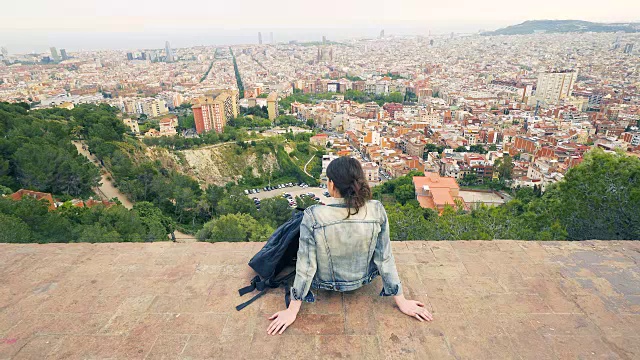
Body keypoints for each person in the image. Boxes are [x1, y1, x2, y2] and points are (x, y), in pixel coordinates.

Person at [267, 156, 433, 335]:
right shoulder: (376, 209)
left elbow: (306, 264)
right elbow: (384, 257)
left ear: (331, 184)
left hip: (325, 283)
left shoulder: (314, 215)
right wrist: (402, 301)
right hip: (363, 280)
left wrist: (292, 310)